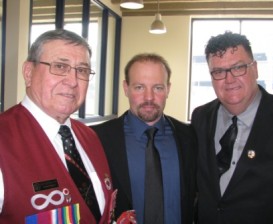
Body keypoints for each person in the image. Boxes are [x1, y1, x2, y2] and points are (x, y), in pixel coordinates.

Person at [0, 29, 115, 223]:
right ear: (28, 73)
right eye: (60, 66)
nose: (72, 81)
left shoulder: (90, 137)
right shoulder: (4, 139)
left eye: (82, 70)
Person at [191, 31, 273, 224]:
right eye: (218, 72)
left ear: (255, 69)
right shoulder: (201, 117)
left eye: (238, 67)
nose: (229, 79)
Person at [91, 53, 197, 224]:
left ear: (168, 89)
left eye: (158, 88)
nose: (149, 97)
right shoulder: (97, 139)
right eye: (139, 87)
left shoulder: (189, 137)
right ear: (126, 88)